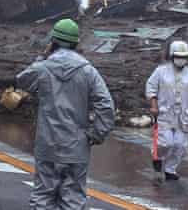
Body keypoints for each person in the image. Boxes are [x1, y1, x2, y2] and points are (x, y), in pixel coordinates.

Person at [16, 19, 115, 209]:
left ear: (52, 41)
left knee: (43, 196)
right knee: (73, 199)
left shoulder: (43, 68)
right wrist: (97, 134)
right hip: (76, 147)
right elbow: (106, 105)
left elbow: (22, 81)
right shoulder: (88, 71)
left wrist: (41, 58)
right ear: (76, 43)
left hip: (48, 144)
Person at [145, 40, 188, 181]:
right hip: (165, 114)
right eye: (178, 56)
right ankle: (157, 157)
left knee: (180, 145)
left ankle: (170, 169)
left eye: (184, 56)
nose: (181, 59)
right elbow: (151, 87)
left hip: (184, 116)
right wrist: (153, 105)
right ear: (171, 56)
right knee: (166, 143)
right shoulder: (160, 72)